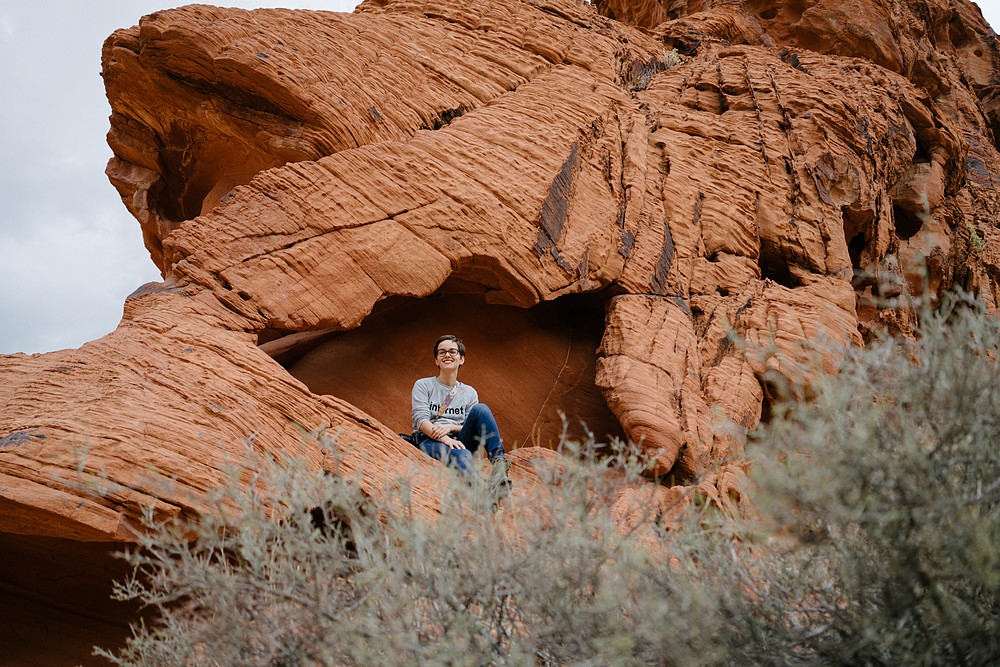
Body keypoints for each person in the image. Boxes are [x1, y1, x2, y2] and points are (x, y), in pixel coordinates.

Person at [411, 334, 511, 500]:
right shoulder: (423, 385)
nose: (447, 355)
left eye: (452, 351)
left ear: (461, 359)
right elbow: (421, 421)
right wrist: (445, 439)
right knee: (460, 452)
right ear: (436, 360)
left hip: (460, 439)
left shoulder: (469, 392)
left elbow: (470, 424)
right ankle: (485, 494)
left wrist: (451, 428)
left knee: (481, 409)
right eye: (441, 352)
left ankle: (499, 464)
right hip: (430, 441)